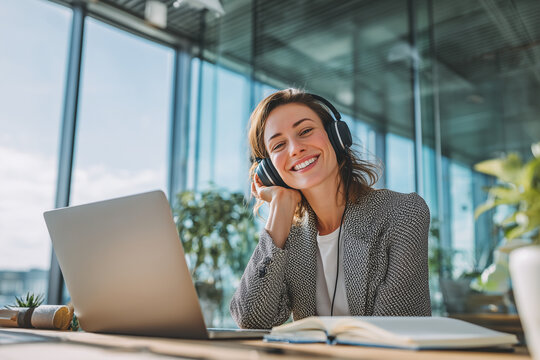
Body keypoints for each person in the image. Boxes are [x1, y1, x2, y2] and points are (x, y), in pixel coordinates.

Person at [230, 88, 431, 329]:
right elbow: (251, 320)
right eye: (279, 145)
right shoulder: (289, 237)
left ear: (336, 136)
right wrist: (279, 211)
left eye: (305, 131)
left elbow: (394, 331)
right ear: (270, 171)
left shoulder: (402, 212)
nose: (295, 149)